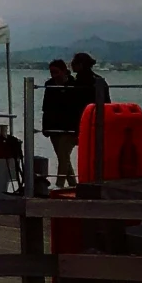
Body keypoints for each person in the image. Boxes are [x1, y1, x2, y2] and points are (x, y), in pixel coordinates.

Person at [40, 59, 82, 187]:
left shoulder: (74, 85)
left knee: (63, 157)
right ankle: (73, 185)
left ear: (64, 71)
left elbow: (78, 109)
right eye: (52, 72)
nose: (54, 75)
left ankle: (59, 185)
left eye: (56, 72)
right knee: (62, 157)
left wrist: (77, 130)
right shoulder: (50, 85)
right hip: (54, 127)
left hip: (69, 128)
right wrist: (45, 127)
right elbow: (46, 108)